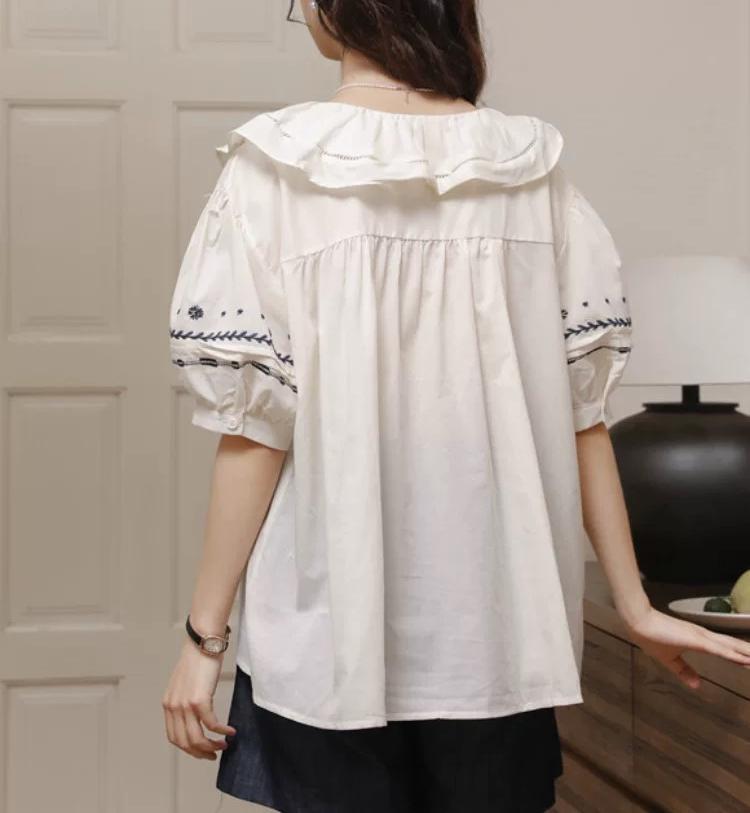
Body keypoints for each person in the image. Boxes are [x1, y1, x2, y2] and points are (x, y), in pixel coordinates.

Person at [161, 1, 750, 811]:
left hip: (330, 640)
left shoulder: (275, 168)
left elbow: (257, 428)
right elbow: (583, 415)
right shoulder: (530, 168)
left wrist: (204, 640)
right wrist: (635, 602)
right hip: (498, 640)